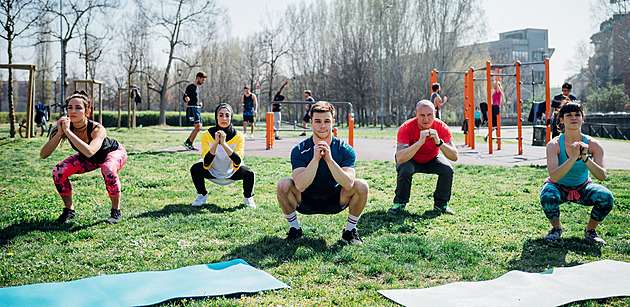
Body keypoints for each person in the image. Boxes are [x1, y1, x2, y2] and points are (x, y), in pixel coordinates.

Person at [277, 101, 369, 244]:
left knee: (362, 185)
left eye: (326, 121)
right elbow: (300, 186)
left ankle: (349, 232)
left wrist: (330, 160)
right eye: (318, 121)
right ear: (311, 123)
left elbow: (349, 183)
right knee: (283, 184)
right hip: (306, 198)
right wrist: (315, 159)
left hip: (335, 199)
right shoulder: (299, 149)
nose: (322, 126)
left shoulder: (345, 149)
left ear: (333, 122)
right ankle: (295, 229)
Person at [40, 91, 127, 224]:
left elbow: (90, 151)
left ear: (87, 111)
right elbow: (43, 154)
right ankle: (69, 210)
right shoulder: (66, 126)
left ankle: (116, 211)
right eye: (70, 107)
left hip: (113, 152)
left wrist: (68, 132)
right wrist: (60, 133)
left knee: (108, 169)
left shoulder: (97, 129)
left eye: (78, 108)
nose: (73, 111)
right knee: (59, 171)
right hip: (91, 159)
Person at [540, 101, 614, 245]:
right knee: (547, 196)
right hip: (558, 187)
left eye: (577, 115)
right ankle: (556, 229)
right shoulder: (554, 145)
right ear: (561, 119)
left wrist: (585, 158)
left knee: (606, 197)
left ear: (583, 118)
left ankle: (590, 232)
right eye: (569, 115)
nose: (573, 118)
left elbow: (601, 176)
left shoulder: (594, 144)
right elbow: (554, 176)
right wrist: (574, 157)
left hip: (583, 187)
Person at [389, 100, 459, 215]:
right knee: (405, 169)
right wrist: (419, 143)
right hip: (411, 159)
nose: (426, 119)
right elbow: (400, 158)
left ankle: (441, 204)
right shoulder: (406, 127)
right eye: (422, 115)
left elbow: (454, 156)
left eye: (429, 115)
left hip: (432, 158)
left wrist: (439, 143)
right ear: (416, 114)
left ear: (435, 113)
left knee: (447, 170)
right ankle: (400, 202)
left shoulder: (442, 127)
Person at [190, 103, 256, 209]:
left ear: (231, 117)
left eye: (227, 115)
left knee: (249, 173)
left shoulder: (238, 135)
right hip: (212, 170)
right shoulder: (206, 135)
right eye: (220, 115)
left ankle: (248, 198)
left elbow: (237, 162)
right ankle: (202, 195)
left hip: (231, 171)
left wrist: (224, 144)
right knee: (195, 169)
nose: (224, 118)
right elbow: (206, 163)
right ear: (216, 117)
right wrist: (216, 143)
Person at [183, 71, 207, 150]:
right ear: (198, 78)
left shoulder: (197, 88)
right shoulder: (191, 87)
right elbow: (185, 97)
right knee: (198, 127)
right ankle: (189, 143)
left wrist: (199, 103)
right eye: (202, 80)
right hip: (192, 108)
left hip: (196, 108)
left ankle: (188, 142)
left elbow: (195, 98)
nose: (203, 82)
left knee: (199, 127)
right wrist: (186, 99)